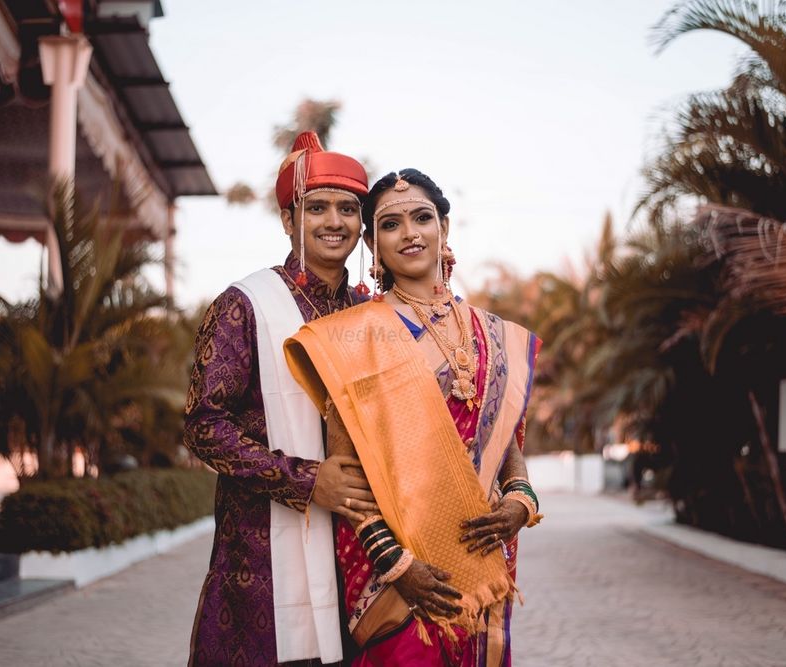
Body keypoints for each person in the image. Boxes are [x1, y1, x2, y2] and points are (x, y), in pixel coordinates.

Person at [284, 168, 543, 665]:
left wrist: (520, 504)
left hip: (484, 561)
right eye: (390, 223)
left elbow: (507, 447)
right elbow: (350, 476)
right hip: (397, 574)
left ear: (444, 229)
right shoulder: (351, 335)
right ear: (373, 244)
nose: (410, 233)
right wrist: (398, 565)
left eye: (422, 217)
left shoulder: (492, 333)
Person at [184, 132, 379, 666]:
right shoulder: (244, 304)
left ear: (362, 225)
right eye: (316, 208)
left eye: (348, 209)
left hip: (356, 551)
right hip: (259, 555)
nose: (334, 222)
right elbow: (204, 424)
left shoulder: (372, 315)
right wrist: (310, 480)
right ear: (289, 219)